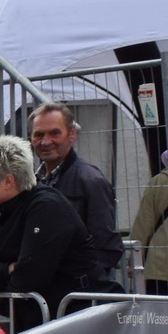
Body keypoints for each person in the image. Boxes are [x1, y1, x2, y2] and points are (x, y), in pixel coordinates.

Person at [0, 135, 92, 333]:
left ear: (8, 181)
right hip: (28, 315)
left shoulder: (46, 207)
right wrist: (8, 269)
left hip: (67, 319)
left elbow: (29, 278)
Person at [29, 103, 120, 287]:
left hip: (76, 296)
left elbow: (106, 247)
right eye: (39, 135)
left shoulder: (91, 181)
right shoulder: (32, 182)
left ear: (72, 135)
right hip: (44, 292)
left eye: (54, 133)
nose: (45, 142)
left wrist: (80, 282)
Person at [131, 150, 168, 296]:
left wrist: (132, 262)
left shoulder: (159, 182)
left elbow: (143, 226)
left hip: (161, 269)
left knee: (162, 316)